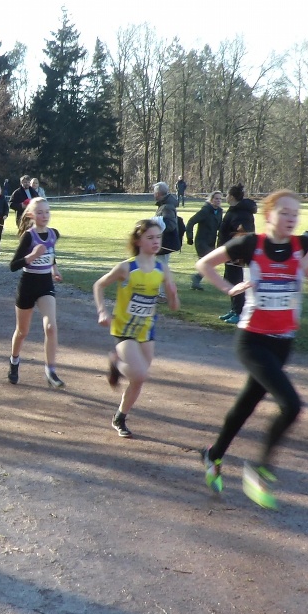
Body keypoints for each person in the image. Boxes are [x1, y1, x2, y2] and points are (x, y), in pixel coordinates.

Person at [194, 189, 308, 509]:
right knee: (292, 405)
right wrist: (230, 287)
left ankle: (213, 456)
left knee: (246, 405)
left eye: (296, 213)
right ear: (269, 215)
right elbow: (204, 264)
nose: (291, 218)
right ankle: (260, 471)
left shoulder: (305, 248)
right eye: (284, 212)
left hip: (283, 343)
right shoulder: (250, 244)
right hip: (251, 340)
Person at [93, 218, 180, 438]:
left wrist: (172, 293)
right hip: (124, 328)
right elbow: (99, 285)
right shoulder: (127, 268)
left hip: (146, 330)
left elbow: (174, 306)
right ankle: (115, 362)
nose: (155, 241)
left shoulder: (162, 269)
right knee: (140, 374)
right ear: (139, 241)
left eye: (158, 237)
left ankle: (120, 417)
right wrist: (102, 311)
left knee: (137, 379)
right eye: (150, 237)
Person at [7, 197, 65, 388]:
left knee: (51, 327)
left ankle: (50, 370)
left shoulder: (54, 234)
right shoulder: (28, 237)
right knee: (22, 331)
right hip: (27, 286)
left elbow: (51, 253)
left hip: (45, 285)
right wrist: (31, 256)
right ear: (31, 215)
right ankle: (14, 362)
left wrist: (54, 269)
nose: (44, 216)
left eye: (47, 212)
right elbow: (13, 265)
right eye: (40, 212)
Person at [216, 185, 257, 323]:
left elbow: (242, 234)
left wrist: (234, 251)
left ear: (232, 197)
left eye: (227, 195)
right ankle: (234, 309)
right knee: (230, 279)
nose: (225, 198)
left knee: (237, 282)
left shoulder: (242, 213)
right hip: (229, 252)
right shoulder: (234, 210)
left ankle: (239, 312)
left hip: (237, 254)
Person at [185, 192, 223, 290]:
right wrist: (190, 237)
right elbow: (191, 222)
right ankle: (196, 279)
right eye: (216, 199)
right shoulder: (205, 211)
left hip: (211, 242)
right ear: (211, 199)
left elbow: (219, 226)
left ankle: (196, 280)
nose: (218, 201)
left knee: (211, 262)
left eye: (220, 199)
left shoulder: (219, 211)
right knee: (208, 262)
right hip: (202, 241)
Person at [152, 182, 181, 255]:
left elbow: (170, 225)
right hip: (163, 243)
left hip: (165, 243)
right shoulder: (165, 205)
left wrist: (156, 226)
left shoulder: (167, 207)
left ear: (158, 193)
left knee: (161, 265)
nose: (153, 195)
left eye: (154, 192)